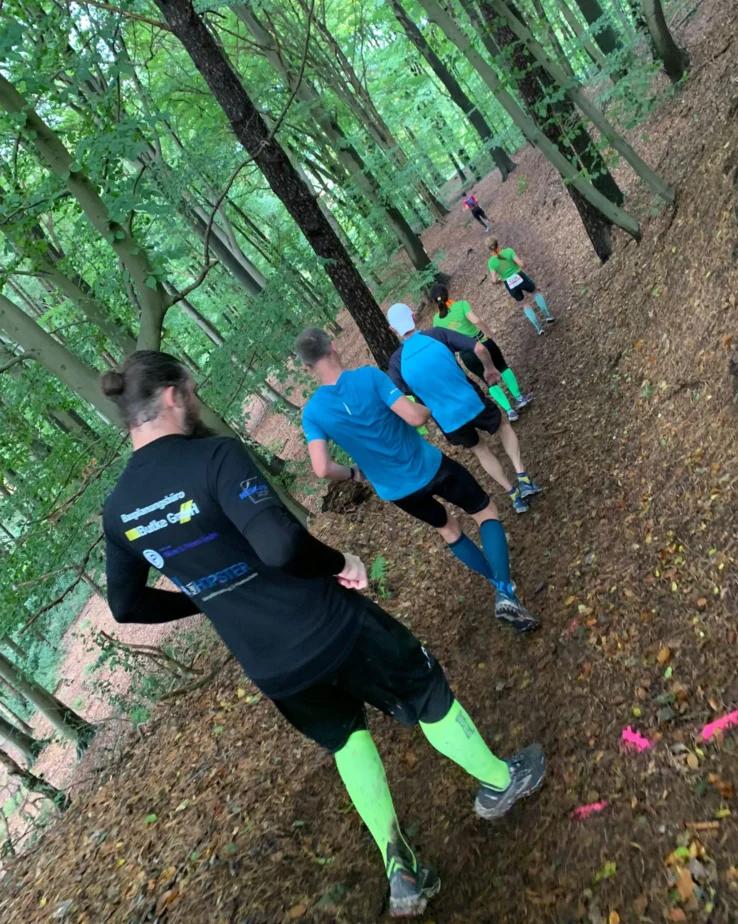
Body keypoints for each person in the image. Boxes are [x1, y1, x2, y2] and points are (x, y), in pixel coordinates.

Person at [101, 350, 546, 918]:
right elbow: (280, 546)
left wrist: (210, 597)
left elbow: (127, 605)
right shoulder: (214, 457)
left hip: (268, 663)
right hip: (329, 623)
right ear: (171, 395)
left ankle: (398, 863)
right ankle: (501, 780)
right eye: (189, 392)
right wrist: (341, 560)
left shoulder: (119, 509)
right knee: (423, 688)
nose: (194, 402)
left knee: (346, 739)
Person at [297, 327, 539, 632]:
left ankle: (497, 583)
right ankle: (504, 590)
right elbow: (414, 417)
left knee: (448, 529)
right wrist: (426, 407)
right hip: (430, 466)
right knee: (485, 511)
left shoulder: (313, 413)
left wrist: (353, 473)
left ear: (307, 368)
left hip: (397, 491)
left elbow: (321, 468)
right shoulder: (369, 377)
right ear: (333, 346)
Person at [386, 304, 543, 515]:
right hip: (471, 400)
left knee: (480, 449)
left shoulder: (396, 362)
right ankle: (522, 477)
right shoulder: (437, 334)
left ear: (393, 329)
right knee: (503, 425)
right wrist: (489, 369)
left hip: (446, 418)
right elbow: (479, 348)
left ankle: (513, 494)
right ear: (413, 317)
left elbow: (403, 397)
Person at [430, 282, 532, 422]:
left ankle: (509, 411)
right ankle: (519, 398)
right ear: (447, 293)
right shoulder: (461, 305)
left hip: (466, 354)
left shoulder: (436, 320)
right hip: (482, 342)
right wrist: (490, 332)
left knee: (487, 380)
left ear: (434, 301)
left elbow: (442, 342)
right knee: (502, 367)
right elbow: (476, 320)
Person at [487, 236, 554, 336]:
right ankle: (548, 315)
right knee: (536, 292)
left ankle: (539, 328)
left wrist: (499, 280)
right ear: (497, 243)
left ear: (489, 248)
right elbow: (521, 264)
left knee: (525, 305)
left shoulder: (491, 262)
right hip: (520, 277)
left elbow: (494, 280)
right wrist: (523, 262)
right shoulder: (508, 251)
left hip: (509, 284)